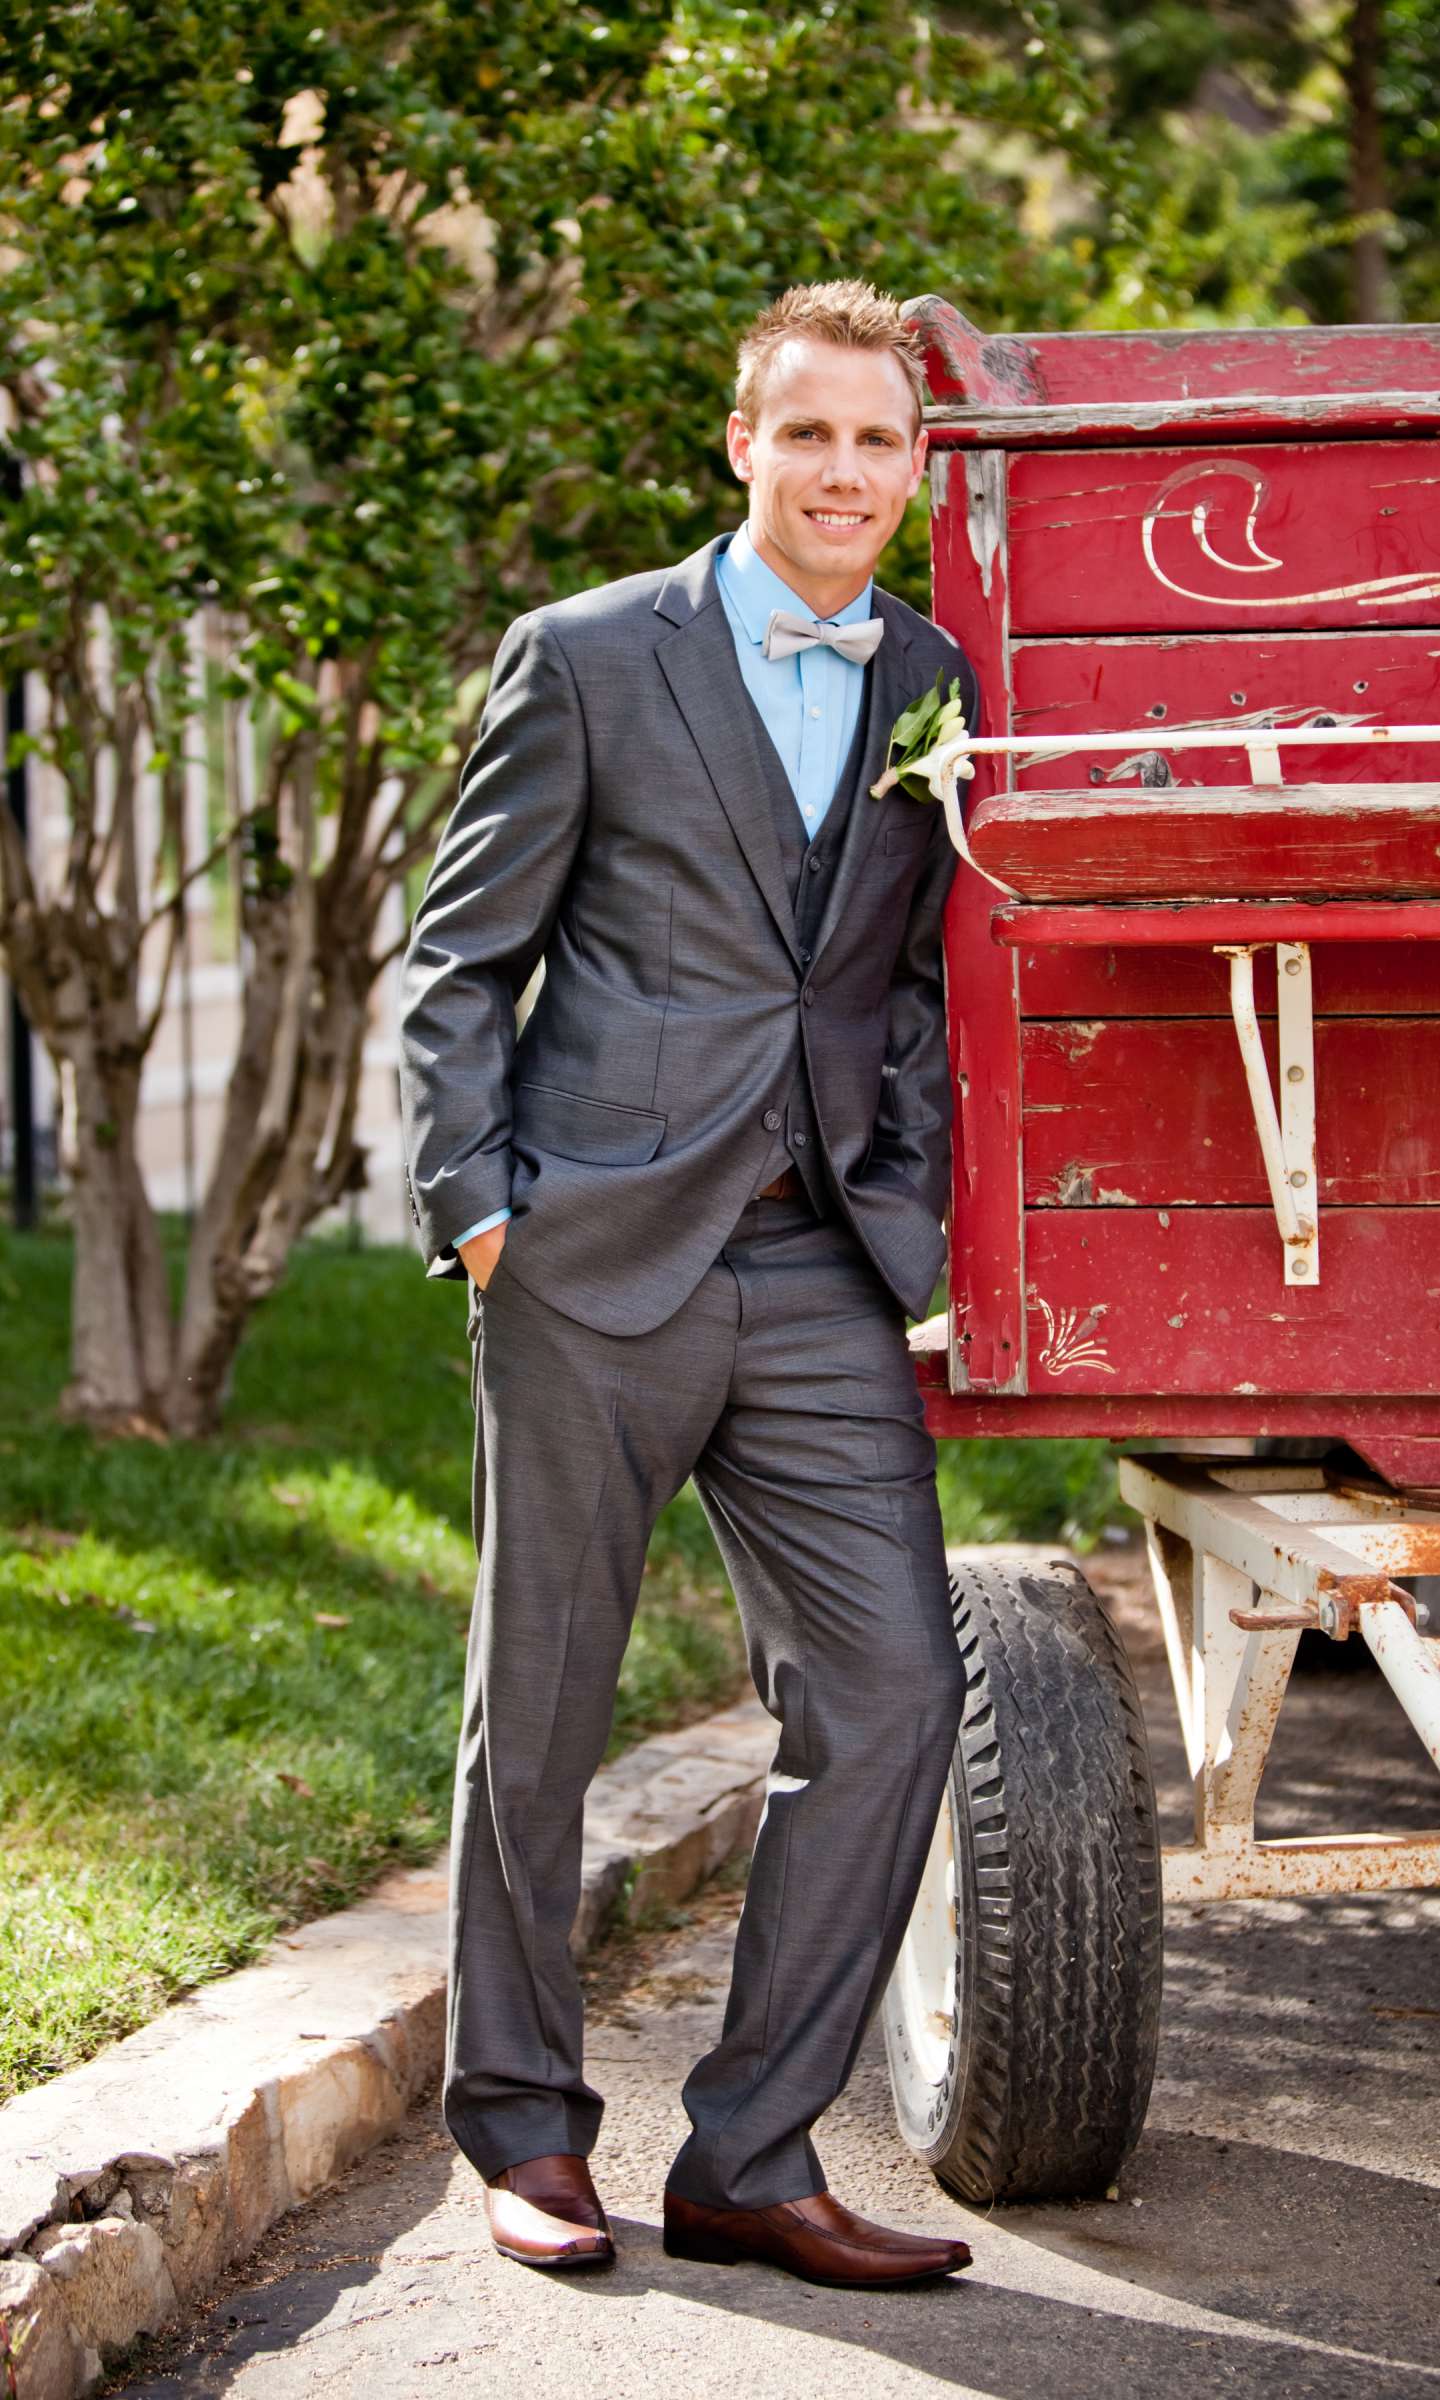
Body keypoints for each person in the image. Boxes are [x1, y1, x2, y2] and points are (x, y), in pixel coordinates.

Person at [398, 277, 982, 2291]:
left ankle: (745, 2151)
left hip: (818, 1261)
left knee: (895, 1694)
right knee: (537, 1711)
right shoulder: (584, 659)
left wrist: (902, 1194)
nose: (841, 472)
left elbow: (906, 978)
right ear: (740, 444)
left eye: (877, 443)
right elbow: (461, 956)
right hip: (591, 1254)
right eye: (806, 433)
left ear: (917, 470)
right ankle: (529, 2138)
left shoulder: (937, 672)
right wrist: (482, 1206)